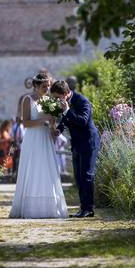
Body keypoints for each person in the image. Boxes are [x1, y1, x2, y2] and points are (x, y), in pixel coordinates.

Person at [9, 73, 68, 218]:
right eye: (44, 86)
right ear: (36, 86)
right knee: (33, 168)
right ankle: (30, 207)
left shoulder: (49, 100)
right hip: (33, 138)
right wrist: (43, 121)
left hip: (45, 138)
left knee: (46, 168)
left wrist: (54, 128)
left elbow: (53, 121)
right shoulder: (27, 100)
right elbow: (26, 122)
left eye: (48, 86)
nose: (47, 89)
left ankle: (48, 207)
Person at [51, 79, 100, 218]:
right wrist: (59, 130)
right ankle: (83, 208)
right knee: (78, 176)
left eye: (57, 97)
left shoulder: (82, 101)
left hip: (89, 141)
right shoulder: (64, 102)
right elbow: (66, 120)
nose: (55, 100)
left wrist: (66, 110)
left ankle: (88, 208)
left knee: (87, 175)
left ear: (66, 93)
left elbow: (83, 120)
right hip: (77, 142)